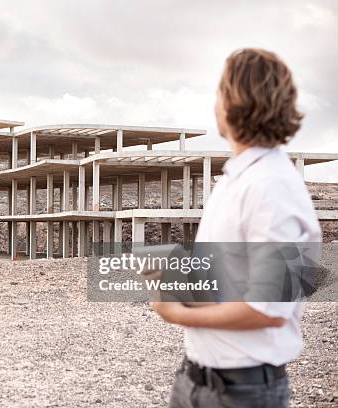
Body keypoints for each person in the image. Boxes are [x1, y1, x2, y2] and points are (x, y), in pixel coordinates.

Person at [151, 48, 321, 407]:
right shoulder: (239, 179)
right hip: (198, 380)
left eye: (219, 92)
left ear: (234, 101)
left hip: (242, 392)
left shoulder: (271, 188)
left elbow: (268, 309)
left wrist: (175, 312)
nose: (215, 102)